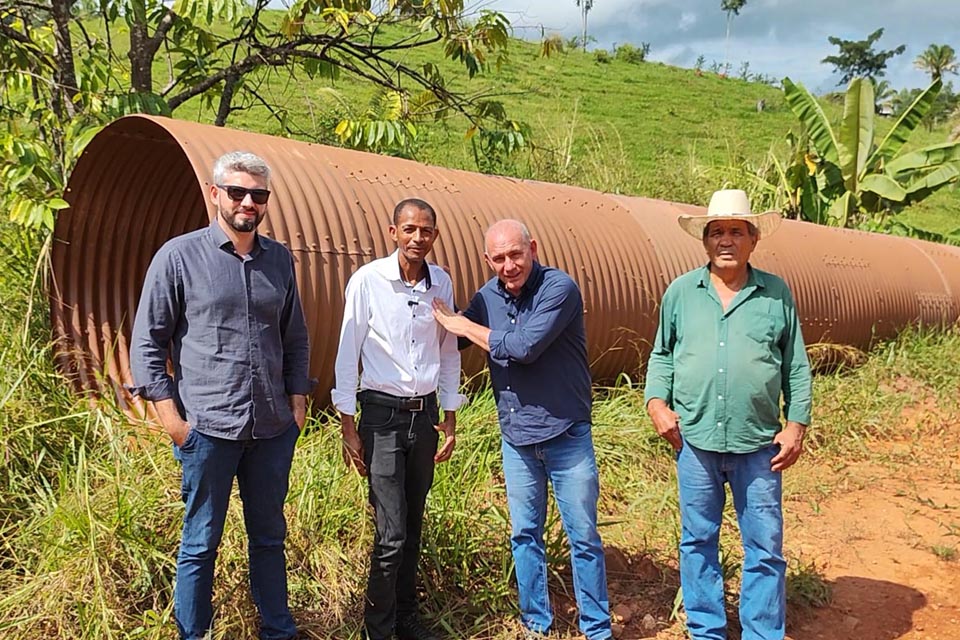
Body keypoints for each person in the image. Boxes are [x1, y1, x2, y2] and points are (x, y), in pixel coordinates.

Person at [129, 151, 312, 640]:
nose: (248, 202)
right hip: (207, 430)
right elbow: (147, 343)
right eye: (237, 192)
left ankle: (278, 631)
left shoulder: (279, 260)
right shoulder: (179, 257)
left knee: (269, 539)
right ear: (215, 194)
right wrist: (173, 422)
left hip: (271, 429)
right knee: (200, 543)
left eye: (258, 195)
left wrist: (297, 404)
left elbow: (295, 337)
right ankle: (195, 634)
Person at [643, 189, 813, 640]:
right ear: (704, 240)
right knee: (697, 540)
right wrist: (656, 403)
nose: (725, 240)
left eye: (736, 231)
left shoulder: (776, 294)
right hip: (694, 441)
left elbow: (795, 364)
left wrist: (796, 425)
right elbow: (662, 354)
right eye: (716, 231)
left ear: (753, 239)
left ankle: (762, 632)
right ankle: (706, 630)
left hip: (758, 444)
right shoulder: (682, 292)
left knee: (765, 546)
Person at [431, 219, 612, 640]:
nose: (509, 265)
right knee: (524, 535)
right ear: (487, 260)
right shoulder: (487, 296)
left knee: (583, 536)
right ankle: (536, 624)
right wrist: (432, 298)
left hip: (565, 435)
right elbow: (455, 336)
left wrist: (464, 326)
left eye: (516, 254)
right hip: (517, 439)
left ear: (533, 248)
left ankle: (597, 628)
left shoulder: (558, 288)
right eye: (499, 258)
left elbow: (524, 347)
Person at [332, 198, 462, 640]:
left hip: (424, 418)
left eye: (425, 231)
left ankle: (406, 620)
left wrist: (449, 415)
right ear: (393, 233)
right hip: (381, 417)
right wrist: (348, 425)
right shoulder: (368, 281)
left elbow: (448, 351)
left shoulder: (440, 282)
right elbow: (347, 351)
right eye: (409, 229)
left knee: (413, 526)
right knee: (390, 533)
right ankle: (378, 629)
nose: (417, 238)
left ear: (435, 236)